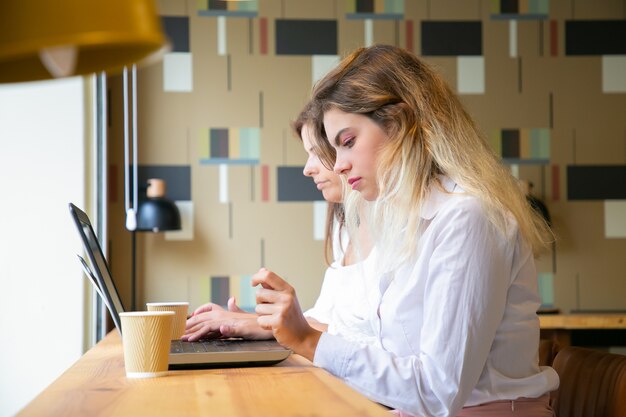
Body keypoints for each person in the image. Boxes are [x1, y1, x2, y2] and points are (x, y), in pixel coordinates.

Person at [251, 44, 559, 417]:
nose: (341, 166)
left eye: (347, 143)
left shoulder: (469, 217)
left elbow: (436, 392)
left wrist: (310, 341)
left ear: (400, 124)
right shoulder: (403, 222)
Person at [183, 109, 374, 343]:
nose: (307, 169)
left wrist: (264, 325)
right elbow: (326, 319)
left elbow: (372, 341)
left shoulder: (402, 235)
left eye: (315, 153)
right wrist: (264, 324)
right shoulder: (344, 230)